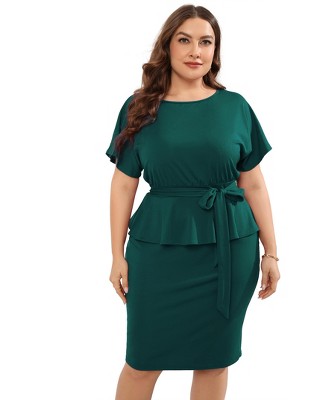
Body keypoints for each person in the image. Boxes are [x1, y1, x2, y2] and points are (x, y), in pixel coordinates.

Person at [105, 4, 280, 400]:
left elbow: (253, 183)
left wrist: (271, 252)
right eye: (184, 40)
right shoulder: (138, 108)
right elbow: (123, 186)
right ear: (167, 46)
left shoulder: (235, 106)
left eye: (206, 42)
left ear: (215, 51)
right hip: (158, 250)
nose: (195, 51)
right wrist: (116, 255)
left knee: (214, 360)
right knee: (142, 362)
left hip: (229, 249)